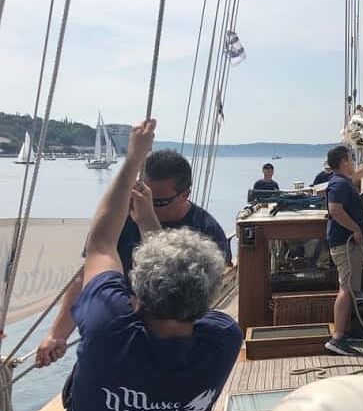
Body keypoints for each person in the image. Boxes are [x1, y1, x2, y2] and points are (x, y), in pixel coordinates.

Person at [57, 119, 241, 411]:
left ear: (136, 294)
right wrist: (149, 222)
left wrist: (131, 160)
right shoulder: (223, 341)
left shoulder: (108, 333)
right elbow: (180, 288)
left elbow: (100, 247)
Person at [37, 149, 231, 367]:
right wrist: (58, 334)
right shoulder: (123, 222)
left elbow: (202, 302)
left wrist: (147, 220)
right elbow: (87, 278)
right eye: (141, 194)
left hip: (171, 350)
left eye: (157, 202)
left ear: (185, 194)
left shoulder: (207, 234)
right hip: (118, 337)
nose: (144, 204)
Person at [322, 146, 363, 355]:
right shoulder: (339, 184)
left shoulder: (342, 180)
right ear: (344, 161)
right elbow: (335, 210)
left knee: (349, 288)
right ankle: (337, 338)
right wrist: (355, 228)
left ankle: (343, 332)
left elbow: (355, 175)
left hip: (347, 243)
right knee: (346, 289)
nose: (354, 162)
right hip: (344, 243)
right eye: (351, 159)